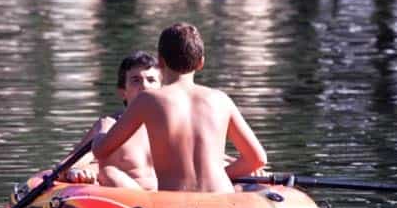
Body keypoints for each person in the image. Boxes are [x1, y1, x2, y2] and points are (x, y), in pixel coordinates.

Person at [89, 23, 267, 193]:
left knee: (107, 169)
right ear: (201, 63)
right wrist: (221, 176)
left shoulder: (148, 100)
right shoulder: (221, 100)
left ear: (160, 62)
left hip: (177, 203)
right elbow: (257, 159)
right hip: (221, 196)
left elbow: (101, 150)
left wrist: (100, 137)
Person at [65, 51, 162, 190]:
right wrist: (78, 172)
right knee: (109, 173)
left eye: (151, 80)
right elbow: (69, 166)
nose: (144, 86)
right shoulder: (109, 126)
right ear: (123, 92)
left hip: (173, 204)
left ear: (161, 89)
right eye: (136, 80)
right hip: (129, 204)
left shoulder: (174, 127)